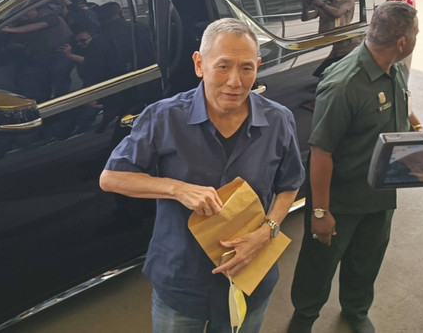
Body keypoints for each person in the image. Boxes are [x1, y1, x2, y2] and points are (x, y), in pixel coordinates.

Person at [100, 18, 305, 332]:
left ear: (258, 67)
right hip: (181, 282)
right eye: (223, 66)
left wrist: (266, 232)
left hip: (250, 275)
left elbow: (289, 185)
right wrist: (177, 189)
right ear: (199, 64)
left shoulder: (278, 120)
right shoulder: (164, 117)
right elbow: (112, 178)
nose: (235, 81)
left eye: (247, 68)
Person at [288, 1, 421, 333]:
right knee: (319, 265)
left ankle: (356, 309)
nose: (418, 37)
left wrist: (420, 134)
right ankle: (304, 317)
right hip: (341, 200)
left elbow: (402, 106)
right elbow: (320, 152)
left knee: (367, 258)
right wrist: (320, 211)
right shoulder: (345, 84)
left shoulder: (395, 68)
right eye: (416, 33)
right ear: (402, 41)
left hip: (380, 193)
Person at [301, 0, 359, 77]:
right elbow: (306, 18)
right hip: (329, 41)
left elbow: (337, 13)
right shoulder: (326, 3)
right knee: (323, 73)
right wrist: (305, 8)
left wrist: (321, 4)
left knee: (327, 72)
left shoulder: (348, 0)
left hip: (344, 41)